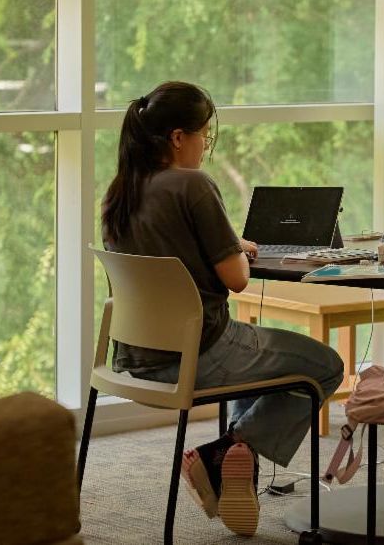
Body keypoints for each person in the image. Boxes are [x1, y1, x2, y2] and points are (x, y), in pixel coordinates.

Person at [101, 81, 344, 537]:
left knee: (263, 369)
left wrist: (227, 244)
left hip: (135, 358)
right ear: (178, 137)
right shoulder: (192, 185)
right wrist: (235, 250)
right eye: (204, 136)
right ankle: (229, 451)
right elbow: (236, 279)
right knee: (325, 366)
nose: (204, 147)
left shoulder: (120, 192)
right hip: (202, 352)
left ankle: (236, 459)